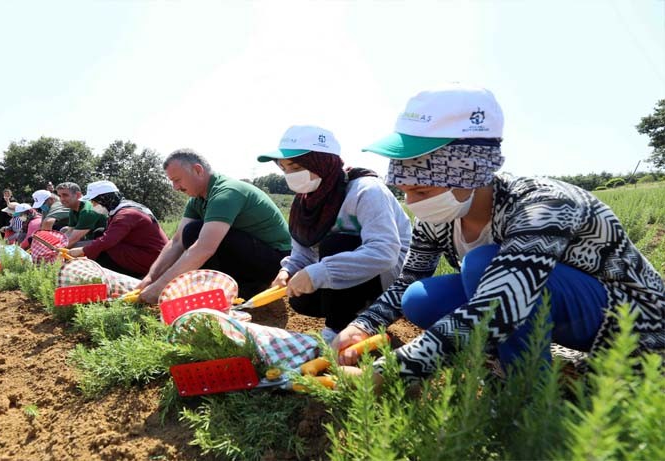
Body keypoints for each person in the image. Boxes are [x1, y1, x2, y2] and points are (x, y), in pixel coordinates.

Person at [333, 83, 665, 384]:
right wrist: (362, 324)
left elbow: (503, 300)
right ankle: (512, 356)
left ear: (468, 171)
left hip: (633, 324)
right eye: (405, 191)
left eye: (420, 190)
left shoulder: (543, 204)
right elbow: (407, 279)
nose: (411, 202)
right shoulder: (440, 216)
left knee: (483, 265)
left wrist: (388, 372)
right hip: (554, 311)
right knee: (419, 299)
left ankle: (524, 387)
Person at [257, 125, 412, 343]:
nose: (289, 175)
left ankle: (337, 330)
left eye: (295, 166)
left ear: (320, 161)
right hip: (354, 278)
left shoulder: (366, 190)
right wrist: (288, 270)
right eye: (284, 169)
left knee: (337, 243)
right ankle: (356, 315)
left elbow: (384, 252)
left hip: (391, 278)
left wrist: (318, 273)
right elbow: (302, 251)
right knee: (300, 299)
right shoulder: (305, 201)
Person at [138, 149, 292, 303]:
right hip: (250, 253)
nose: (175, 187)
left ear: (198, 170)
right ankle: (229, 287)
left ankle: (248, 287)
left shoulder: (226, 192)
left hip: (276, 260)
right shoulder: (197, 199)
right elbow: (177, 241)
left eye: (177, 180)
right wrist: (150, 279)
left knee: (195, 232)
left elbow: (204, 248)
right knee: (189, 233)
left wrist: (159, 288)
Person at [68, 180, 168, 278]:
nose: (92, 205)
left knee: (102, 250)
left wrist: (82, 250)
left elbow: (107, 241)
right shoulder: (124, 208)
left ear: (104, 199)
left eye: (94, 202)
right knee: (99, 234)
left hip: (152, 258)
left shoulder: (126, 214)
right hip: (147, 252)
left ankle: (121, 277)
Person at [56, 182, 107, 248]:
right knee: (64, 230)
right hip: (90, 237)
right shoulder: (73, 208)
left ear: (78, 195)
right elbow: (70, 231)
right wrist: (55, 242)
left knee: (73, 246)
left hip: (104, 242)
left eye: (65, 195)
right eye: (59, 196)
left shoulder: (87, 211)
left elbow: (72, 240)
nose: (61, 199)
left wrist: (53, 250)